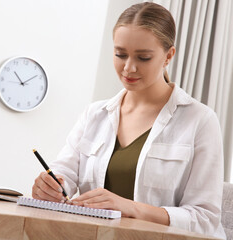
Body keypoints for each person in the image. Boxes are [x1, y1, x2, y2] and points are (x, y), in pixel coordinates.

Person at [31, 2, 226, 239]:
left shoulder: (200, 120)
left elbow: (204, 219)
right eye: (120, 54)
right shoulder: (95, 114)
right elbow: (65, 175)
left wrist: (131, 208)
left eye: (143, 57)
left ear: (168, 56)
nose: (128, 68)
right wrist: (49, 187)